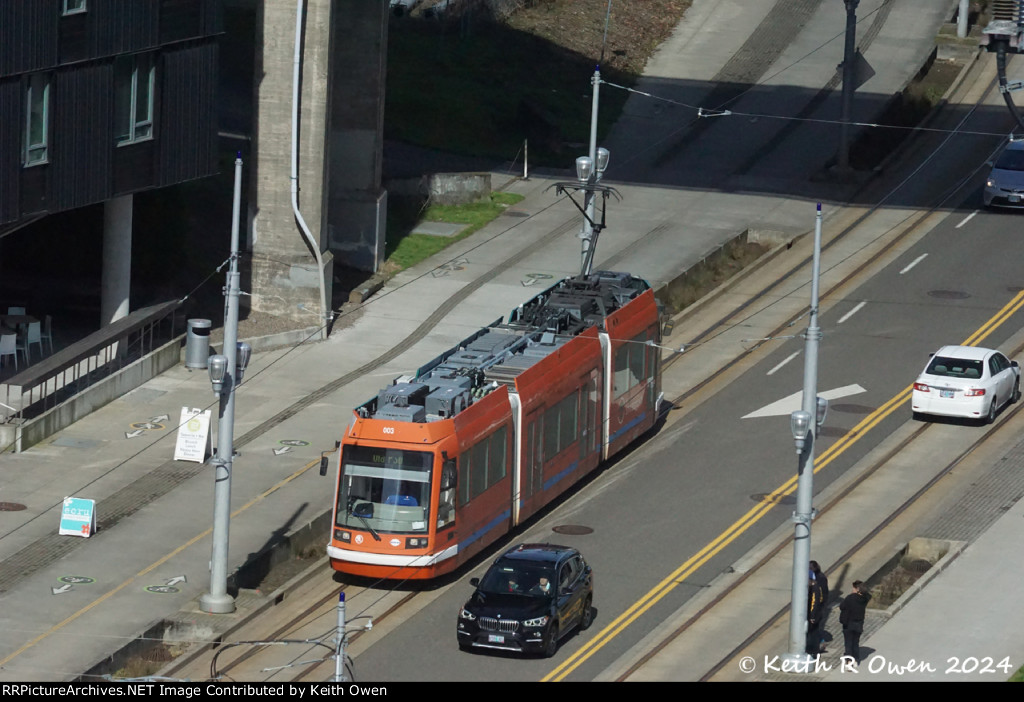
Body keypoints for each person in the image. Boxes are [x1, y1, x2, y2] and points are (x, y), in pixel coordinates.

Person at [839, 580, 871, 664]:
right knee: (855, 642)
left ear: (857, 589)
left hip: (849, 622)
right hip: (859, 623)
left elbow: (842, 606)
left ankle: (849, 660)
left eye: (853, 588)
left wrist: (853, 594)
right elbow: (868, 595)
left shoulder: (850, 598)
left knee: (848, 642)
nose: (852, 589)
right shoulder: (866, 598)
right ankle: (856, 659)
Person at [810, 560, 829, 652]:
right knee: (813, 628)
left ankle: (819, 644)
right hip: (817, 607)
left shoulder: (819, 579)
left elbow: (820, 596)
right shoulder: (817, 577)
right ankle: (819, 643)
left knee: (813, 628)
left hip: (817, 608)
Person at [806, 571, 824, 656]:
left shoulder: (815, 589)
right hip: (815, 615)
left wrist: (812, 616)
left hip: (813, 616)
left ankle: (813, 651)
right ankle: (814, 649)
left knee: (812, 634)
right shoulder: (816, 587)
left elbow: (815, 603)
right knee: (813, 633)